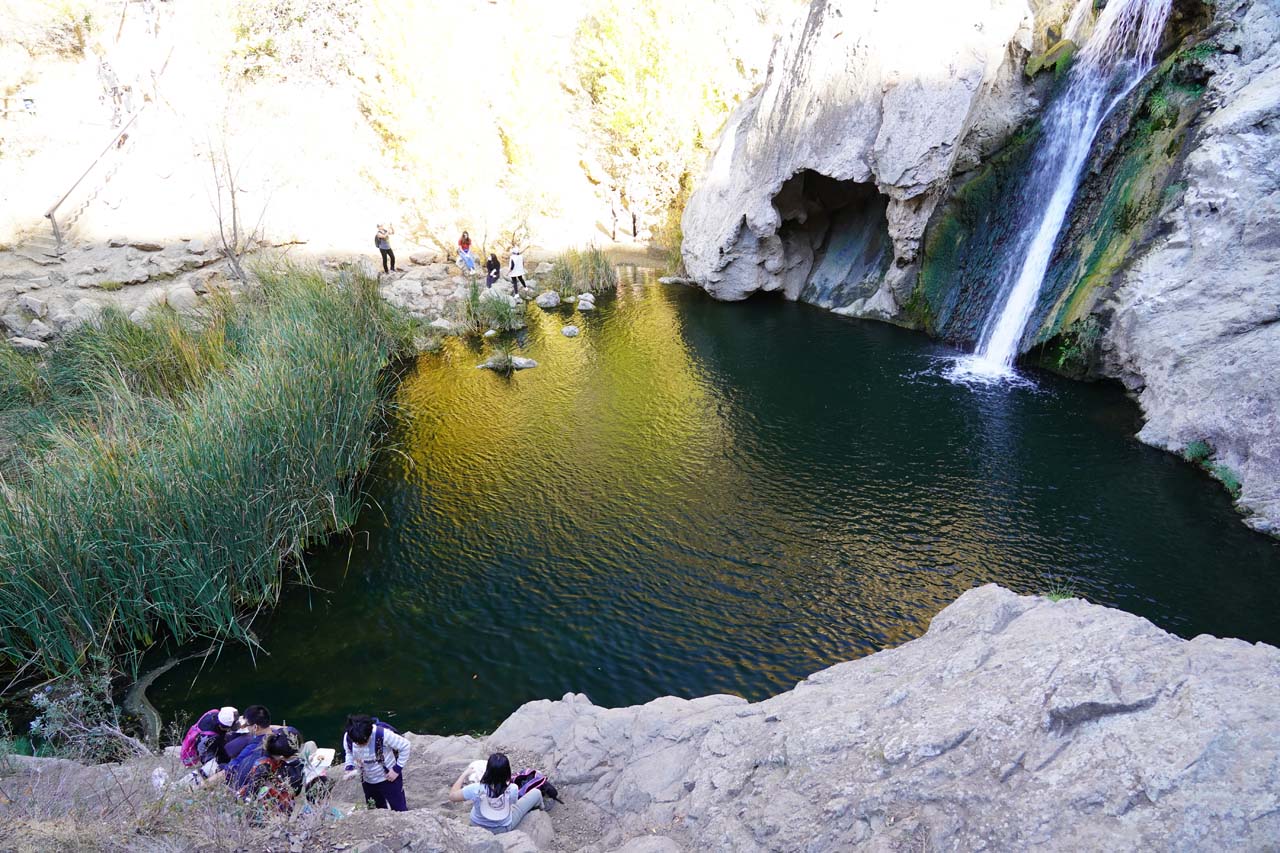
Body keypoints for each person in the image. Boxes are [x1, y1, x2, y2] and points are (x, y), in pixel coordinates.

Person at [450, 752, 544, 833]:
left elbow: (452, 796)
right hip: (502, 828)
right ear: (507, 772)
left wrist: (464, 774)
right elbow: (512, 804)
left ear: (488, 771)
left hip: (476, 825)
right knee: (536, 792)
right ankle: (542, 808)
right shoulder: (513, 788)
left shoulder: (475, 789)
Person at [342, 714, 411, 812]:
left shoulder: (382, 734)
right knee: (375, 809)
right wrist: (349, 767)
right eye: (357, 743)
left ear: (370, 733)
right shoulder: (349, 737)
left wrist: (396, 769)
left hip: (388, 777)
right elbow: (349, 752)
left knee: (399, 808)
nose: (360, 745)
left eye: (363, 742)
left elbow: (405, 746)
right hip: (367, 780)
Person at [237, 730, 304, 813]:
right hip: (260, 806)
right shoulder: (263, 767)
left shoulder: (271, 752)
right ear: (282, 757)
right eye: (294, 755)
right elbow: (250, 797)